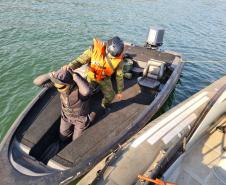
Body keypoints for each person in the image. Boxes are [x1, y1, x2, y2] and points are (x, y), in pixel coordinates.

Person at [63, 36, 125, 110]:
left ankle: (104, 105)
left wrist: (120, 91)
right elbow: (79, 61)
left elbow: (119, 76)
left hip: (104, 79)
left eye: (115, 56)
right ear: (107, 49)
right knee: (85, 92)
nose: (114, 58)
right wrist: (69, 67)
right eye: (111, 55)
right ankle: (80, 107)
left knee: (111, 96)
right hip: (91, 76)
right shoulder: (94, 50)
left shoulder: (119, 61)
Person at [34, 68, 95, 141]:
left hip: (80, 119)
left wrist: (74, 76)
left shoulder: (79, 90)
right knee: (63, 137)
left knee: (76, 140)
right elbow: (36, 82)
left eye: (62, 86)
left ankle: (90, 119)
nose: (59, 87)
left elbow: (86, 91)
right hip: (66, 116)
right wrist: (51, 75)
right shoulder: (58, 83)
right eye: (57, 85)